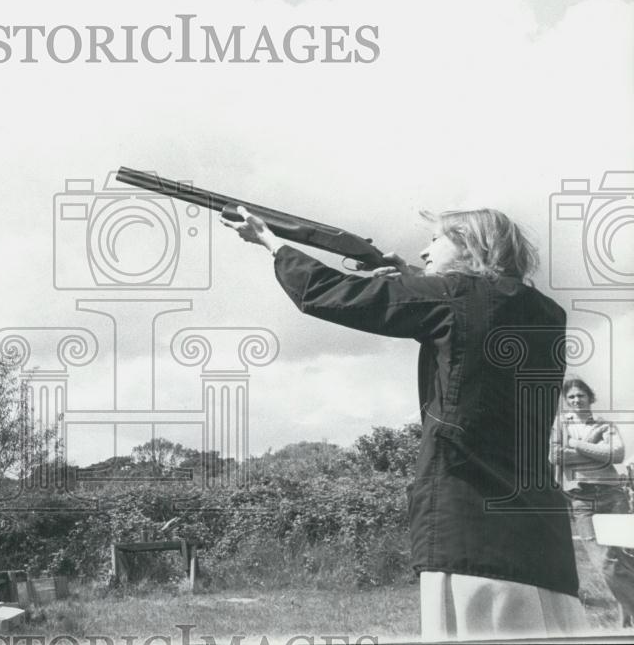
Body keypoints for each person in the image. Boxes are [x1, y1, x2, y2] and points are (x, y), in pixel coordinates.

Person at [223, 205, 585, 640]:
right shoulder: (547, 313)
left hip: (470, 528)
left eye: (436, 240)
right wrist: (415, 276)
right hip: (542, 540)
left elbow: (328, 293)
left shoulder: (451, 296)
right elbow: (483, 305)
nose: (423, 248)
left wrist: (273, 243)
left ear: (470, 246)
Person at [550, 377, 631, 620]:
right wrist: (595, 452)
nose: (576, 400)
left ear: (590, 398)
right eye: (571, 397)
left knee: (626, 558)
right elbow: (555, 455)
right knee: (604, 561)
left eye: (580, 395)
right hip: (582, 499)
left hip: (613, 495)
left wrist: (574, 445)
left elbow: (616, 455)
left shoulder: (605, 425)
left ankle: (625, 612)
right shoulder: (560, 426)